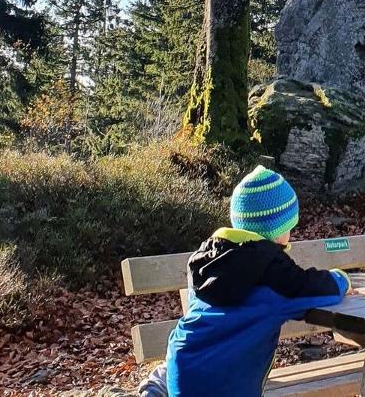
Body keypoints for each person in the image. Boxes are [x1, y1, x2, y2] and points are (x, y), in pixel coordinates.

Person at [139, 165, 352, 397]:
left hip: (183, 363)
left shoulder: (208, 258)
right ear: (280, 230)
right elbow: (316, 288)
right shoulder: (273, 273)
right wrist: (342, 279)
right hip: (226, 383)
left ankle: (156, 388)